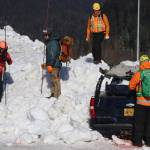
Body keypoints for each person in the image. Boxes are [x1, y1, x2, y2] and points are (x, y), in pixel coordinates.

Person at [129, 54, 150, 147]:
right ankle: (149, 143)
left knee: (139, 124)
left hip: (141, 103)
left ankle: (138, 143)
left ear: (141, 62)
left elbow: (131, 86)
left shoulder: (139, 73)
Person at [42, 29, 62, 98]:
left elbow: (52, 55)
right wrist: (47, 64)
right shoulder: (52, 42)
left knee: (55, 80)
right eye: (44, 35)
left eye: (46, 35)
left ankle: (57, 95)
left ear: (49, 35)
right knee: (53, 80)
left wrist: (50, 64)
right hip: (54, 64)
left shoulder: (52, 43)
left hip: (54, 65)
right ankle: (53, 94)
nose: (45, 37)